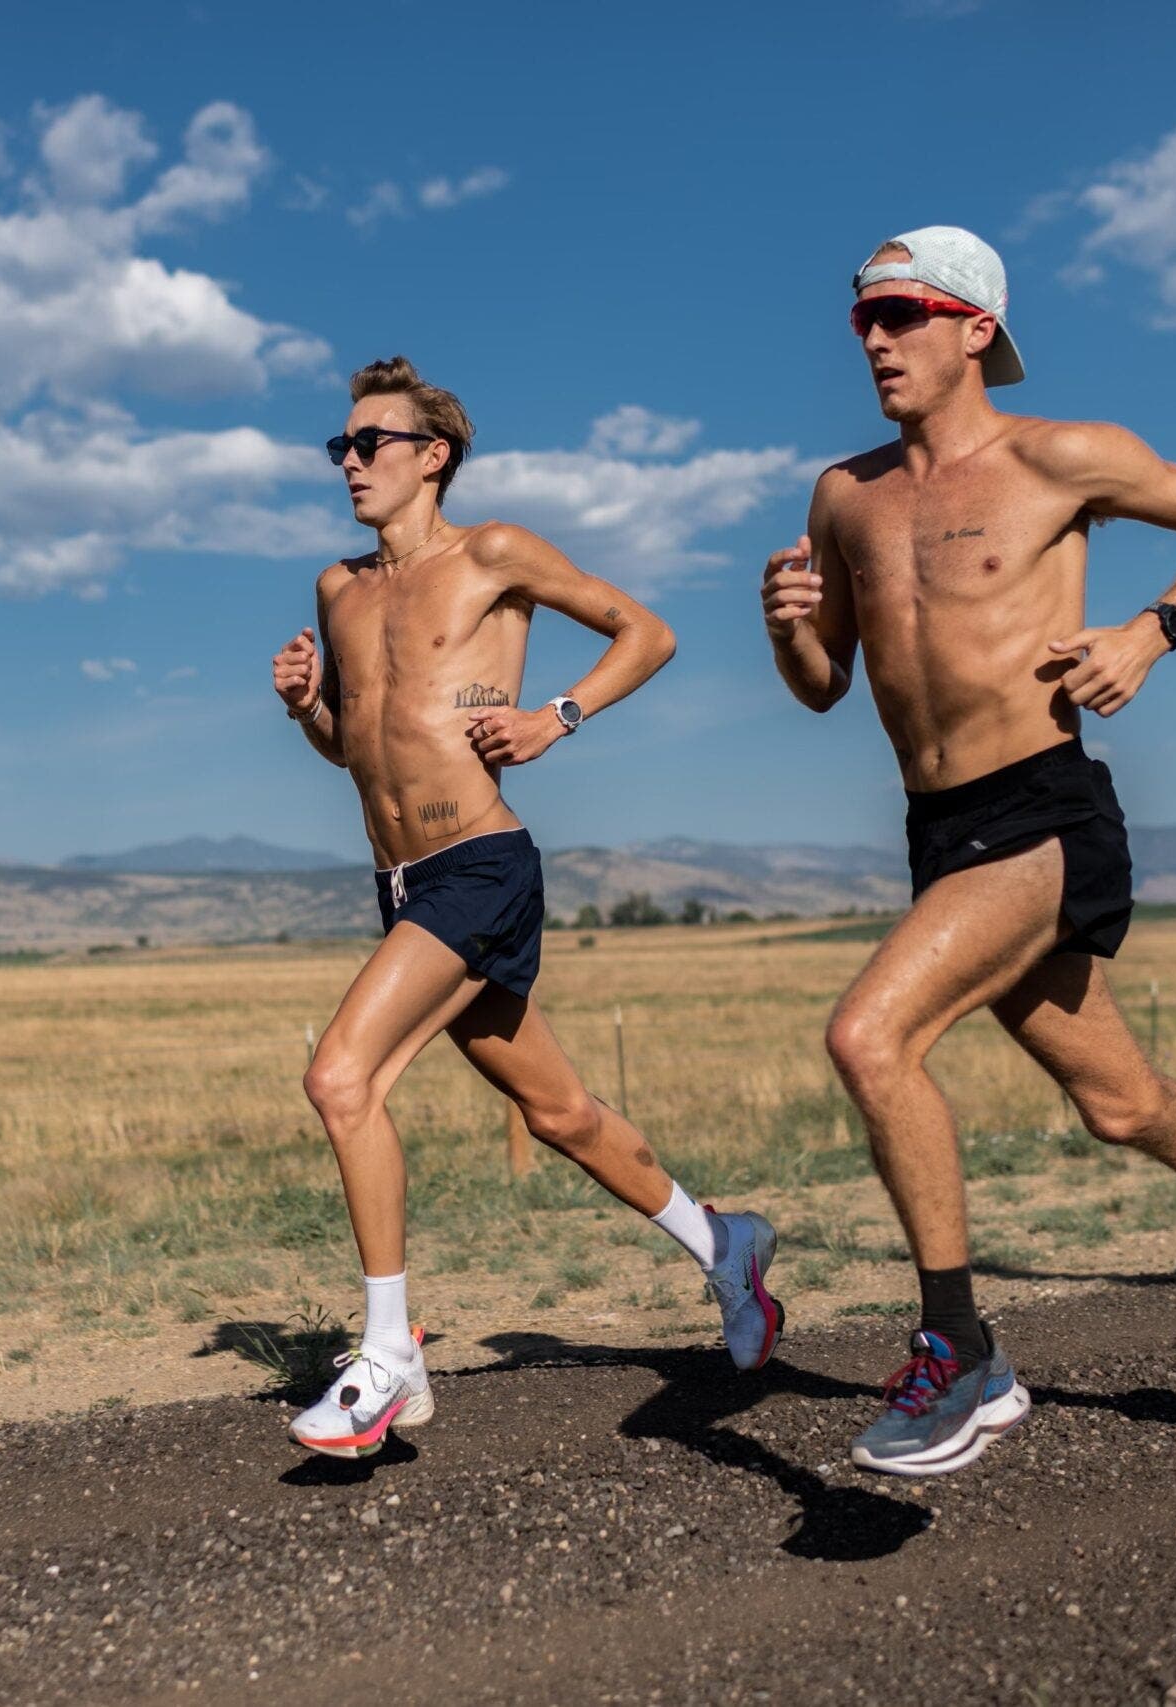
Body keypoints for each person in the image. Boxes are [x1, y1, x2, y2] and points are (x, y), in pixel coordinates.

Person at [762, 227, 1176, 1478]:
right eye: (862, 318)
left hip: (1043, 812)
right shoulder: (844, 495)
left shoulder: (1058, 456)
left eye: (900, 313)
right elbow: (824, 686)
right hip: (940, 834)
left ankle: (960, 1354)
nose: (874, 338)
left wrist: (1151, 631)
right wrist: (786, 629)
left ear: (973, 328)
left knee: (869, 1036)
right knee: (1122, 1106)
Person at [271, 356, 783, 1459]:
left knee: (342, 1077)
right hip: (402, 885)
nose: (349, 461)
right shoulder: (338, 589)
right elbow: (354, 752)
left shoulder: (492, 554)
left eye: (370, 443)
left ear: (432, 457)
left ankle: (389, 1355)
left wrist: (558, 715)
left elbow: (646, 632)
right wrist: (310, 708)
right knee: (558, 1114)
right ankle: (724, 1244)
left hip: (480, 866)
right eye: (340, 445)